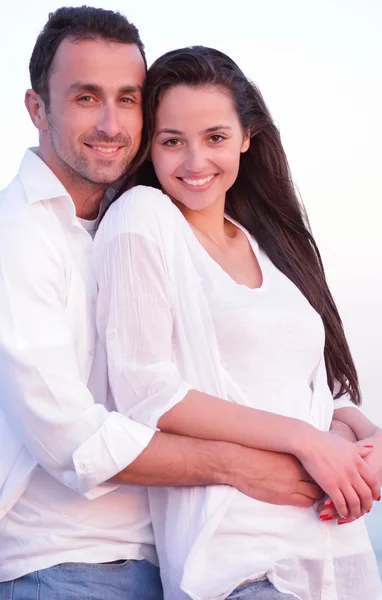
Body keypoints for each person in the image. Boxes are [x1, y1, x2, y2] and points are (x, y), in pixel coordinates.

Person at [0, 7, 336, 600]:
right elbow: (72, 440)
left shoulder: (136, 225)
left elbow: (241, 374)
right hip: (66, 566)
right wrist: (243, 465)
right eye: (84, 97)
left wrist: (354, 429)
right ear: (36, 108)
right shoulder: (18, 236)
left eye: (127, 98)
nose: (110, 123)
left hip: (169, 561)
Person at [93, 46, 382, 600]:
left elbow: (318, 390)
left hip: (329, 554)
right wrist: (306, 441)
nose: (194, 161)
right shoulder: (142, 217)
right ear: (148, 146)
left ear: (247, 136)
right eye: (171, 140)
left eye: (215, 137)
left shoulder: (268, 243)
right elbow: (147, 393)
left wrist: (371, 437)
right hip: (239, 562)